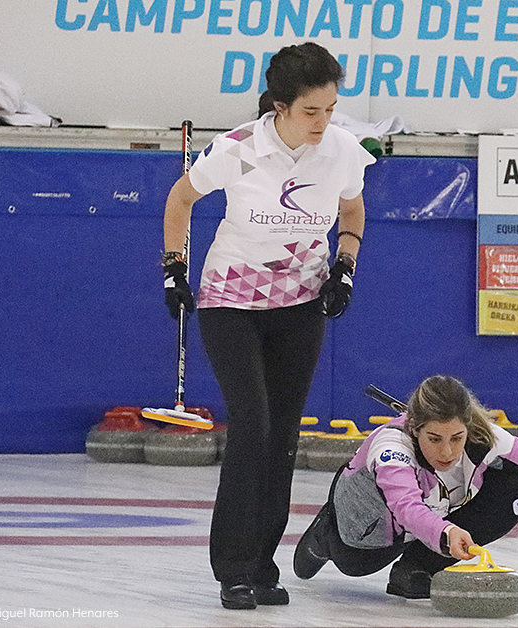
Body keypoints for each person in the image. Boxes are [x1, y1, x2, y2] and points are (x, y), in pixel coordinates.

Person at [160, 42, 376, 609]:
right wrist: (173, 269)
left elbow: (351, 214)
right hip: (230, 302)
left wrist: (344, 270)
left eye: (330, 109)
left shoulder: (341, 151)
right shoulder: (237, 149)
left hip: (301, 305)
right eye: (311, 111)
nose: (323, 122)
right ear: (279, 105)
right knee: (251, 424)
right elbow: (180, 200)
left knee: (281, 436)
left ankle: (262, 564)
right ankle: (231, 566)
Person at [292, 375, 518, 599]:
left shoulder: (484, 437)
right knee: (356, 564)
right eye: (434, 439)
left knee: (515, 485)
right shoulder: (391, 448)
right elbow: (407, 508)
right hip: (368, 524)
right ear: (415, 428)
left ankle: (416, 567)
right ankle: (326, 532)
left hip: (433, 518)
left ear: (467, 427)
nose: (447, 451)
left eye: (456, 438)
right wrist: (446, 534)